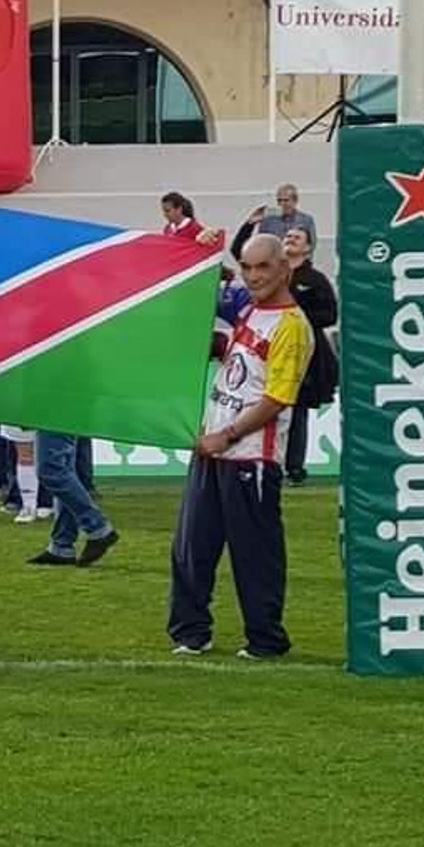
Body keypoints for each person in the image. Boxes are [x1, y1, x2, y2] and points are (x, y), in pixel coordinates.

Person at [167, 234, 314, 660]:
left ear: (284, 269)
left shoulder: (292, 326)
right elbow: (233, 349)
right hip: (212, 448)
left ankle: (266, 639)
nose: (253, 276)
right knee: (192, 547)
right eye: (247, 268)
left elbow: (277, 397)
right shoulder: (250, 309)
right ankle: (191, 632)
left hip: (251, 454)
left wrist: (227, 435)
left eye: (262, 267)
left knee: (254, 554)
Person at [281, 227, 338, 485]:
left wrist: (298, 319)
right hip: (272, 349)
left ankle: (294, 468)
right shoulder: (274, 274)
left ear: (307, 247)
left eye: (297, 237)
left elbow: (330, 315)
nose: (290, 239)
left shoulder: (315, 279)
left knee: (297, 411)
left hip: (306, 353)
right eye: (287, 236)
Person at [27, 432, 120, 567]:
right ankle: (62, 546)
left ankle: (97, 527)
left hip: (54, 413)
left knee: (52, 470)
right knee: (64, 469)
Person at [243, 182, 318, 248]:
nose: (282, 204)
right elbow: (261, 244)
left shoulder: (306, 220)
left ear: (295, 201)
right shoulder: (268, 221)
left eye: (286, 200)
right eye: (279, 200)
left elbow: (311, 245)